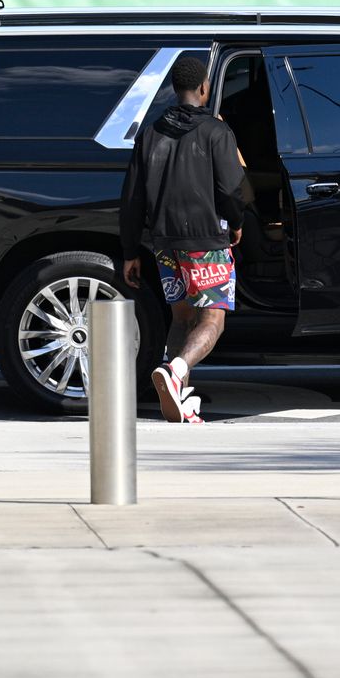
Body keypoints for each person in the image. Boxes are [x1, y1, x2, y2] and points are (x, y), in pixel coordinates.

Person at [119, 57, 245, 424]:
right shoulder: (216, 131)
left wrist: (130, 250)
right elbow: (232, 189)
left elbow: (132, 198)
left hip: (164, 243)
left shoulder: (150, 133)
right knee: (213, 319)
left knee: (181, 317)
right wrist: (236, 223)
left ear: (176, 90)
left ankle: (179, 396)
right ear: (204, 88)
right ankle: (175, 371)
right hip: (206, 241)